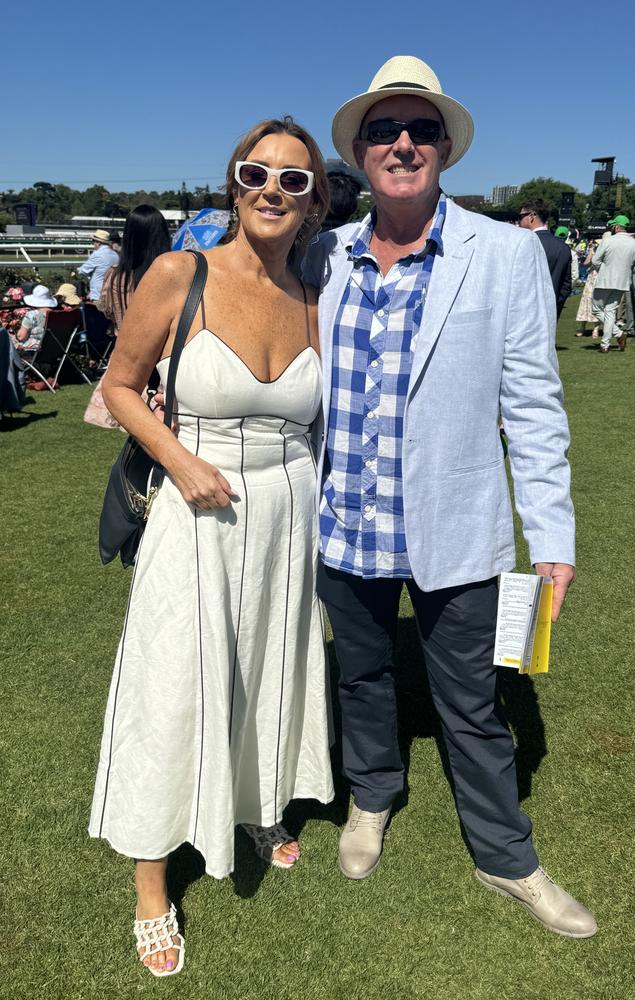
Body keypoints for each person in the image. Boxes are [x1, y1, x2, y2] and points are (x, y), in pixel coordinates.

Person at [303, 54, 596, 939]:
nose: (403, 143)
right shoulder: (323, 256)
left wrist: (552, 533)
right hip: (344, 524)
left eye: (421, 129)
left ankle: (508, 857)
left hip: (455, 523)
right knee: (360, 677)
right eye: (385, 130)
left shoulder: (503, 253)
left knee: (471, 703)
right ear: (358, 150)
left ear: (445, 149)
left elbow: (534, 408)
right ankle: (373, 797)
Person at [88, 117, 334, 976]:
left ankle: (256, 803)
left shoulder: (312, 291)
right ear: (234, 183)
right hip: (197, 507)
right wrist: (180, 459)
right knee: (175, 684)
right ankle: (152, 883)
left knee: (269, 665)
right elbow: (119, 386)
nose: (272, 189)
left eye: (293, 180)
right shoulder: (178, 272)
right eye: (256, 172)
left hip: (288, 511)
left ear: (313, 201)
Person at [85, 205, 172, 430]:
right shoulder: (171, 275)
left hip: (126, 358)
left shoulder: (115, 276)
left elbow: (105, 309)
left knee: (134, 427)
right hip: (165, 360)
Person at [591, 215, 635, 353]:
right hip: (622, 282)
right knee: (610, 312)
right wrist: (626, 270)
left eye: (613, 225)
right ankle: (608, 342)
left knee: (597, 309)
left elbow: (595, 261)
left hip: (605, 280)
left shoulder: (608, 241)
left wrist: (604, 269)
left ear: (617, 226)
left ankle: (614, 337)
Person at [518, 202, 572, 317]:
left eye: (521, 216)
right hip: (550, 312)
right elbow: (565, 287)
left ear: (532, 216)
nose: (519, 221)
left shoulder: (522, 243)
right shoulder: (563, 248)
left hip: (523, 312)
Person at [76, 229, 119, 302]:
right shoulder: (116, 255)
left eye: (94, 242)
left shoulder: (97, 254)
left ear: (98, 243)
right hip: (112, 293)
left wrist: (75, 271)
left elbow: (82, 271)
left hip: (98, 294)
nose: (94, 244)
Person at [11, 284, 57, 350]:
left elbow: (21, 337)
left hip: (34, 350)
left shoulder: (32, 314)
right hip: (54, 348)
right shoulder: (58, 314)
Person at [575, 240, 602, 337]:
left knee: (598, 302)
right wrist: (591, 256)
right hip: (592, 278)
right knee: (586, 300)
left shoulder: (607, 252)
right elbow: (585, 263)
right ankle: (582, 326)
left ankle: (596, 329)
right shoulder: (593, 250)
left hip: (602, 277)